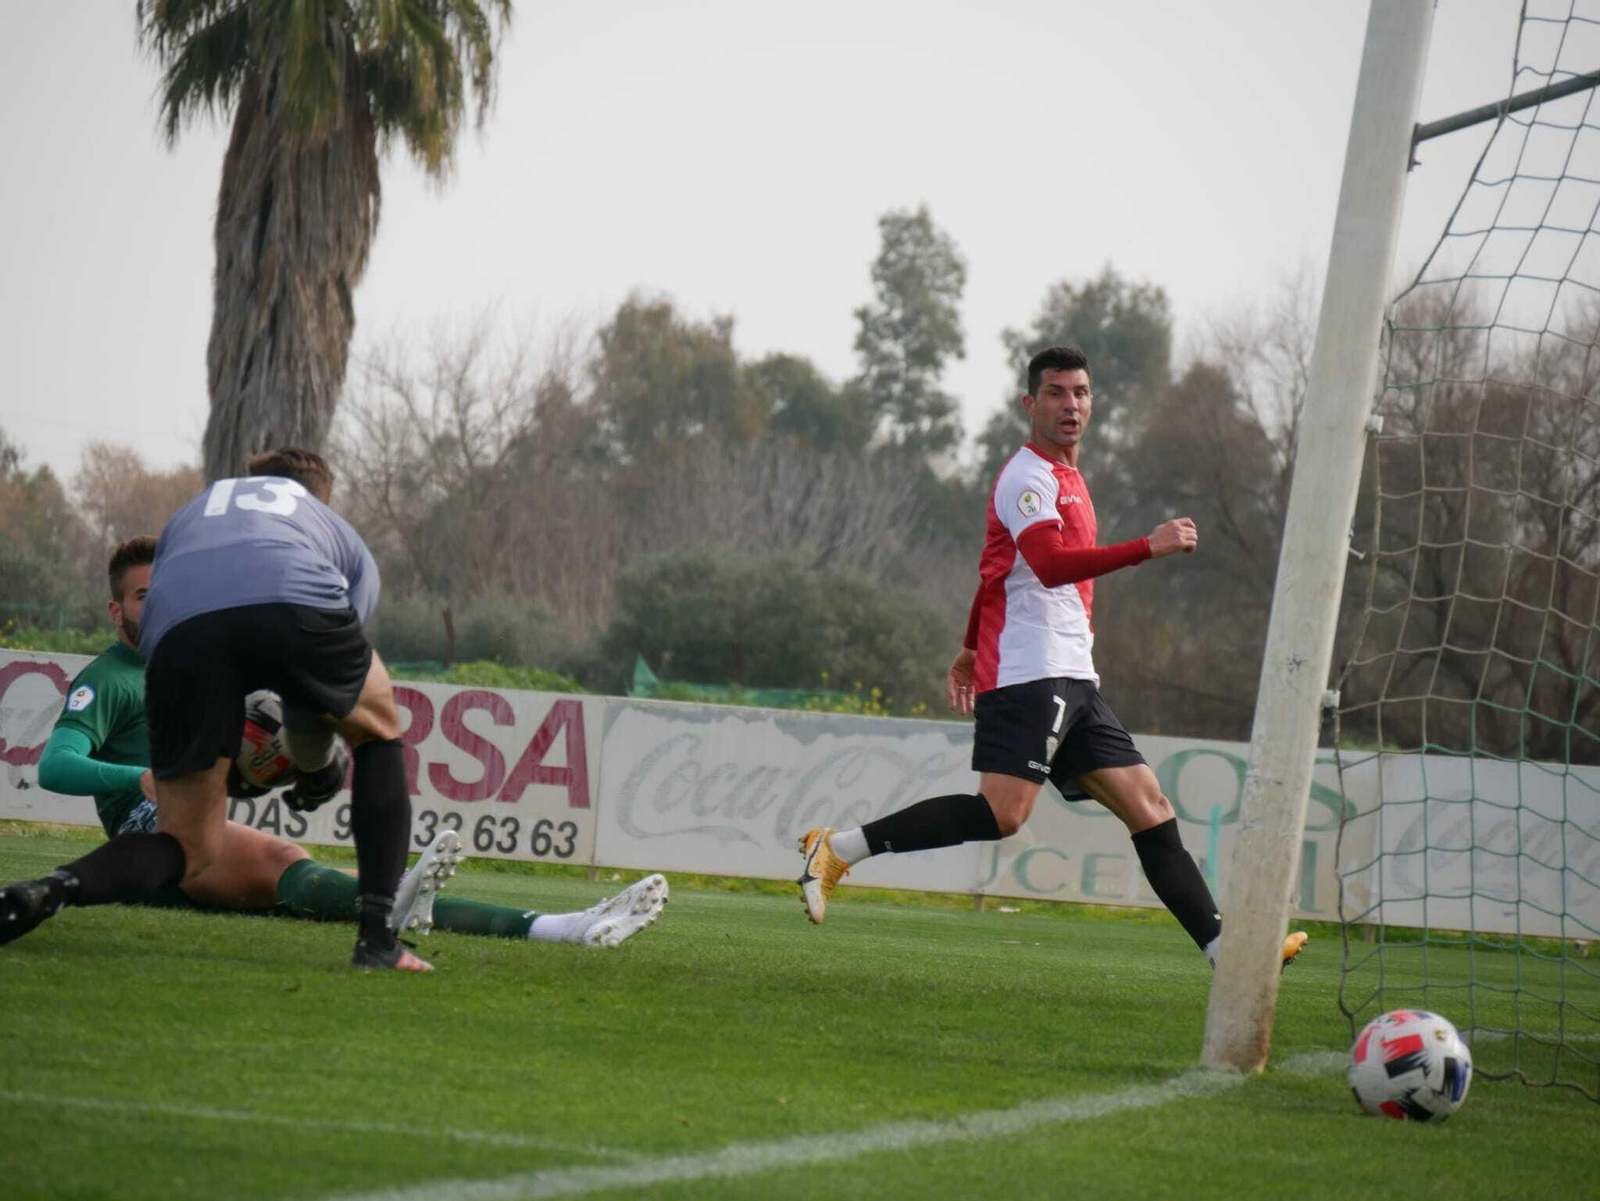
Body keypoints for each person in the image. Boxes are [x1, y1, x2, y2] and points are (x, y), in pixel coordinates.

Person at [0, 449, 652, 969]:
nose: (148, 601)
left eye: (152, 590)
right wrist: (311, 763)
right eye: (136, 595)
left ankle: (49, 890)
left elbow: (211, 644)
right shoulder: (109, 677)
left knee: (266, 861)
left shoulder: (194, 530)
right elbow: (322, 689)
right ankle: (384, 934)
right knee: (370, 739)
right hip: (147, 815)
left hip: (185, 714)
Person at [796, 346, 1307, 971]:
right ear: (1030, 403)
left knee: (1150, 808)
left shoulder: (1071, 478)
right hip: (1028, 670)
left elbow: (996, 574)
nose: (1071, 405)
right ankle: (839, 848)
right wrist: (1148, 546)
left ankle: (1226, 951)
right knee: (1004, 815)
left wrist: (965, 646)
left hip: (1072, 673)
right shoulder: (1027, 478)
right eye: (1057, 393)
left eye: (1081, 393)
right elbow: (1047, 565)